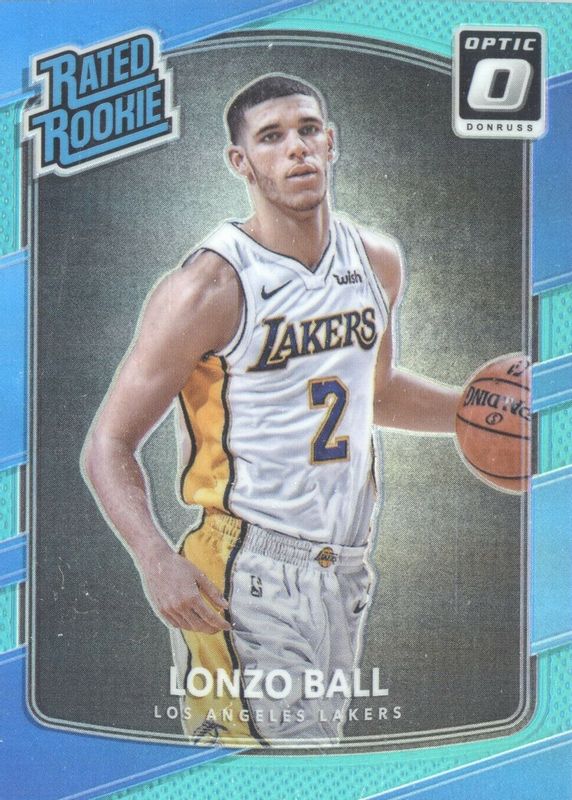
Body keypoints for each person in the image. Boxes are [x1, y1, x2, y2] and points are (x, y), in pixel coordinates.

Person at [82, 74, 461, 747]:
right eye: (272, 137)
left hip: (346, 566)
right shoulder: (208, 286)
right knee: (268, 771)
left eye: (308, 130)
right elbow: (107, 444)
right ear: (241, 161)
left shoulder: (375, 260)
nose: (296, 148)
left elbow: (374, 393)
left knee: (311, 766)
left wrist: (473, 412)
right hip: (244, 567)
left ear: (331, 142)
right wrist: (152, 557)